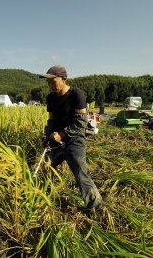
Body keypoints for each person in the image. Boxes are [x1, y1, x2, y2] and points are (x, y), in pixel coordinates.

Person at [39, 65, 104, 213]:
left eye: (52, 81)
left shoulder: (76, 94)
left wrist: (61, 134)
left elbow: (80, 123)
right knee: (47, 168)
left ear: (64, 79)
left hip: (74, 139)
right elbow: (51, 120)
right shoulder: (51, 98)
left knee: (81, 174)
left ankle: (97, 208)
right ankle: (45, 199)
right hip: (55, 140)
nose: (49, 85)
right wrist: (47, 136)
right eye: (47, 82)